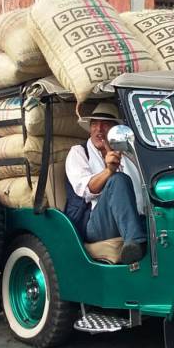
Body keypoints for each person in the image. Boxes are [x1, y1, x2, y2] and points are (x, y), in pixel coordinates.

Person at [65, 102, 146, 264]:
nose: (99, 129)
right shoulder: (79, 152)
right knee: (118, 180)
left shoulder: (129, 155)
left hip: (134, 217)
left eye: (106, 124)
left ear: (116, 131)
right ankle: (136, 241)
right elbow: (87, 189)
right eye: (94, 124)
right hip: (95, 224)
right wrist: (109, 170)